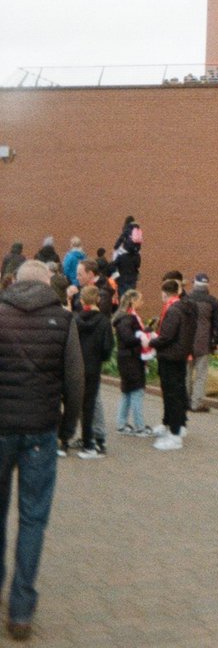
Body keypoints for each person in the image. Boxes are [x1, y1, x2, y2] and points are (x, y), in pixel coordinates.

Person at [0, 259, 83, 641]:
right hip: (40, 434)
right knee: (33, 520)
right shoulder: (63, 320)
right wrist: (68, 428)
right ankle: (20, 610)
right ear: (48, 283)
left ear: (14, 282)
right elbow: (75, 379)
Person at [149, 279, 191, 450]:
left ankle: (174, 434)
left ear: (164, 293)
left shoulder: (173, 310)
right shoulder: (185, 307)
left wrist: (152, 341)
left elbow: (167, 336)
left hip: (170, 356)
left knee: (171, 394)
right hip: (180, 355)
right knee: (178, 391)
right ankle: (178, 426)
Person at [74, 285, 114, 459]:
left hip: (77, 366)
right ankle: (90, 443)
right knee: (90, 404)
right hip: (93, 366)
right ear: (98, 299)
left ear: (81, 301)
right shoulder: (104, 322)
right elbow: (107, 348)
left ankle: (74, 438)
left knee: (76, 403)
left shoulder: (75, 320)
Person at [113, 290, 154, 434]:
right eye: (140, 300)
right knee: (136, 391)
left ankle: (122, 423)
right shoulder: (128, 318)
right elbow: (128, 338)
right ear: (132, 301)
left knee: (127, 391)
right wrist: (142, 338)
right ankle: (139, 426)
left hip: (125, 358)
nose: (142, 302)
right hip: (131, 359)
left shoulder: (123, 318)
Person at [188, 273, 218, 412]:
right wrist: (215, 342)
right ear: (207, 285)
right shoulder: (213, 301)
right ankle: (196, 403)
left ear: (194, 284)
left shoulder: (186, 300)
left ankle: (185, 401)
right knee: (201, 375)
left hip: (186, 342)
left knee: (186, 373)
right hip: (203, 343)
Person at [112, 215, 142, 297]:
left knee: (123, 296)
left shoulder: (127, 228)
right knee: (132, 296)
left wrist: (116, 247)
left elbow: (121, 238)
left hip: (123, 277)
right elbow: (138, 265)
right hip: (133, 276)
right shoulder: (137, 229)